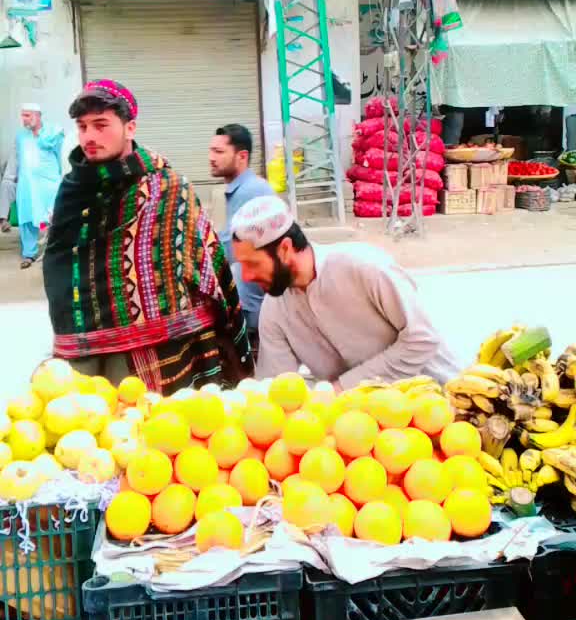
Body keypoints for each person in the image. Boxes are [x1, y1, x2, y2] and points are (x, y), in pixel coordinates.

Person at [43, 79, 253, 392]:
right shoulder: (71, 191)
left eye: (101, 125)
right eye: (82, 127)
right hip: (86, 344)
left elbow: (205, 261)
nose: (89, 136)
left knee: (163, 417)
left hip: (164, 348)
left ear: (130, 128)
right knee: (96, 414)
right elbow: (59, 264)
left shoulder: (167, 186)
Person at [231, 196, 458, 390]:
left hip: (440, 402)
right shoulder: (274, 310)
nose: (246, 277)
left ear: (285, 249)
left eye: (253, 264)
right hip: (360, 421)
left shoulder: (363, 265)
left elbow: (423, 339)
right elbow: (277, 389)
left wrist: (341, 389)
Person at [209, 124, 275, 351]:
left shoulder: (250, 191)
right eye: (211, 150)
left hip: (254, 312)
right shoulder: (243, 189)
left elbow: (232, 251)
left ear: (242, 156)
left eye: (219, 152)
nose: (211, 158)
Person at [0, 105, 64, 269]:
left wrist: (61, 177)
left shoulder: (52, 133)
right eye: (23, 115)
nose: (24, 119)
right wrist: (9, 178)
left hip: (48, 183)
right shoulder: (21, 137)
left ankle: (55, 252)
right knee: (27, 218)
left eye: (27, 115)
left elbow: (60, 155)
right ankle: (29, 254)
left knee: (51, 217)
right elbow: (15, 159)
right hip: (27, 184)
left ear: (38, 115)